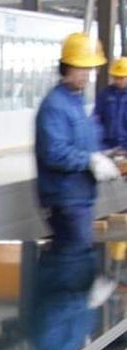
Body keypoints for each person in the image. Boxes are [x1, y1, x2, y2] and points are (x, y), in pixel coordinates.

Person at [35, 32, 122, 305]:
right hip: (65, 200)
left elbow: (84, 141)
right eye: (80, 68)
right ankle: (78, 301)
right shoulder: (55, 105)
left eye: (89, 69)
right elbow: (54, 152)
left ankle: (79, 301)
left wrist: (103, 155)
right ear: (66, 67)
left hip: (79, 198)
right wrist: (90, 161)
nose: (86, 75)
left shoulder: (76, 101)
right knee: (72, 260)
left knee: (78, 256)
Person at [95, 57, 127, 150]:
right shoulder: (105, 94)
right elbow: (96, 119)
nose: (118, 81)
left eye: (121, 78)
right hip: (108, 147)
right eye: (115, 77)